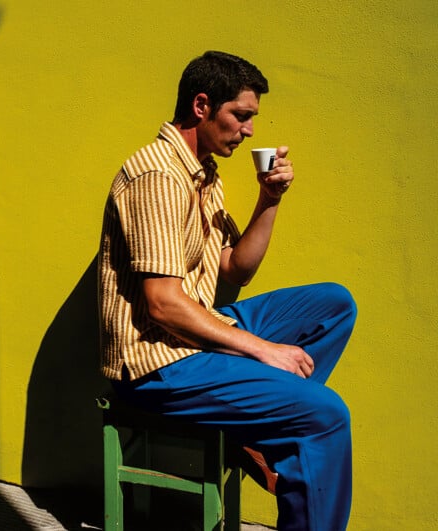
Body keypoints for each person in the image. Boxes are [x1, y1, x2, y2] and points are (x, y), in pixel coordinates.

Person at [97, 51, 357, 531]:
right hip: (159, 363)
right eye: (241, 115)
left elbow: (235, 269)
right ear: (202, 106)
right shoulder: (158, 178)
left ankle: (264, 430)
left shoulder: (203, 174)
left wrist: (269, 199)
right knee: (325, 416)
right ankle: (286, 429)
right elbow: (162, 306)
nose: (250, 130)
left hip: (196, 331)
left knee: (334, 305)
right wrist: (263, 351)